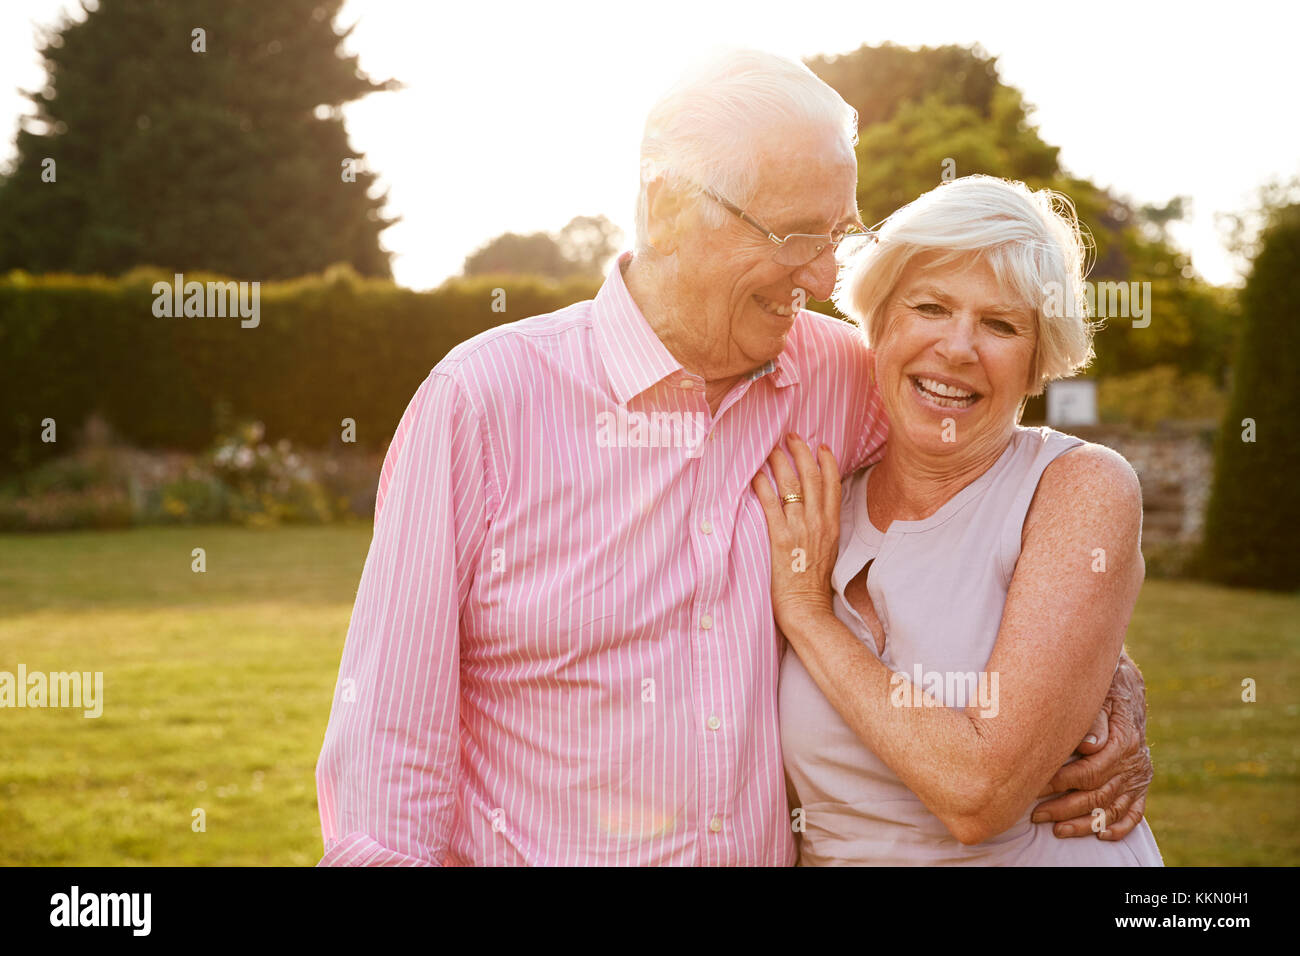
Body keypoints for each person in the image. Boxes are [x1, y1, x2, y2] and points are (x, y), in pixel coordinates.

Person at [314, 51, 1153, 866]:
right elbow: (388, 744)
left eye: (837, 233)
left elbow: (985, 503)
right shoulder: (482, 402)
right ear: (669, 202)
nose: (826, 276)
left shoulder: (843, 379)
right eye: (794, 233)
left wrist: (1097, 682)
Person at [755, 174, 1162, 864]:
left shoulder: (1078, 486)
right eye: (931, 307)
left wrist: (807, 615)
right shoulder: (816, 503)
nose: (958, 347)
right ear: (880, 324)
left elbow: (979, 793)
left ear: (1038, 362)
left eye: (1000, 324)